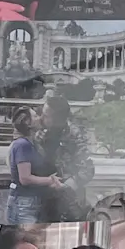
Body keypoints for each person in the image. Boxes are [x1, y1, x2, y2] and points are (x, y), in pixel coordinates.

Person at [36, 92, 94, 221]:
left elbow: (88, 169)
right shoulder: (40, 132)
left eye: (46, 115)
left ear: (58, 119)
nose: (41, 118)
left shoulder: (75, 135)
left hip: (69, 204)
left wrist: (66, 186)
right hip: (43, 200)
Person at [5, 107, 62, 226]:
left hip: (30, 202)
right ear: (27, 122)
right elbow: (25, 178)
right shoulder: (22, 145)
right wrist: (50, 180)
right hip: (23, 204)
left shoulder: (31, 143)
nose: (39, 118)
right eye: (35, 116)